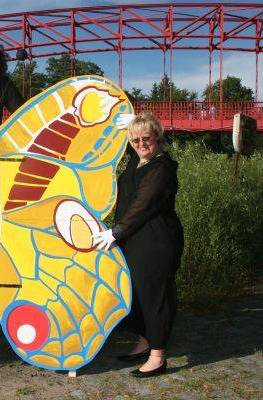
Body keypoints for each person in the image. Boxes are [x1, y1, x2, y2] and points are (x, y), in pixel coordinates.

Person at [93, 112, 184, 378]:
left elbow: (143, 205)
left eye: (147, 138)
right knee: (137, 294)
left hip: (156, 241)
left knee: (155, 295)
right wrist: (136, 121)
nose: (141, 143)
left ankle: (158, 356)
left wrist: (116, 231)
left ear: (158, 137)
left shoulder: (162, 167)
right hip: (135, 238)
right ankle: (145, 342)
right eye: (135, 140)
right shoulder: (138, 160)